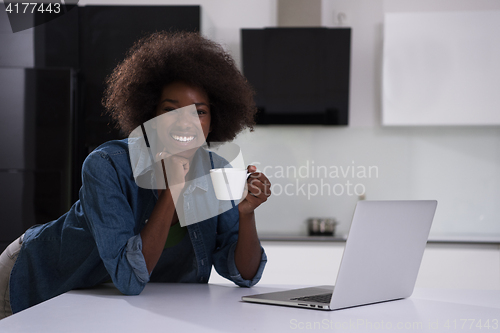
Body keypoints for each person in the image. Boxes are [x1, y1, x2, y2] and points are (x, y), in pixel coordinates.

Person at [0, 31, 271, 319]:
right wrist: (175, 189)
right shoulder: (108, 165)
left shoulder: (216, 171)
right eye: (170, 110)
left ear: (212, 121)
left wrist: (246, 214)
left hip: (115, 306)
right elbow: (130, 278)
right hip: (36, 282)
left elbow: (244, 275)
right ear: (150, 114)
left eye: (199, 112)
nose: (185, 122)